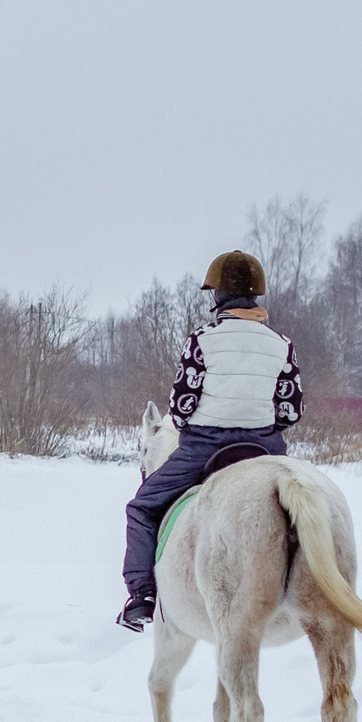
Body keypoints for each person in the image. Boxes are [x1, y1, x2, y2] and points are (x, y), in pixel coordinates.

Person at [117, 249, 305, 631]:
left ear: (218, 295)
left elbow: (181, 407)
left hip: (204, 448)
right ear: (255, 296)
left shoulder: (201, 340)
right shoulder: (281, 344)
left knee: (141, 507)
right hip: (266, 450)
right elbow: (290, 411)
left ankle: (141, 597)